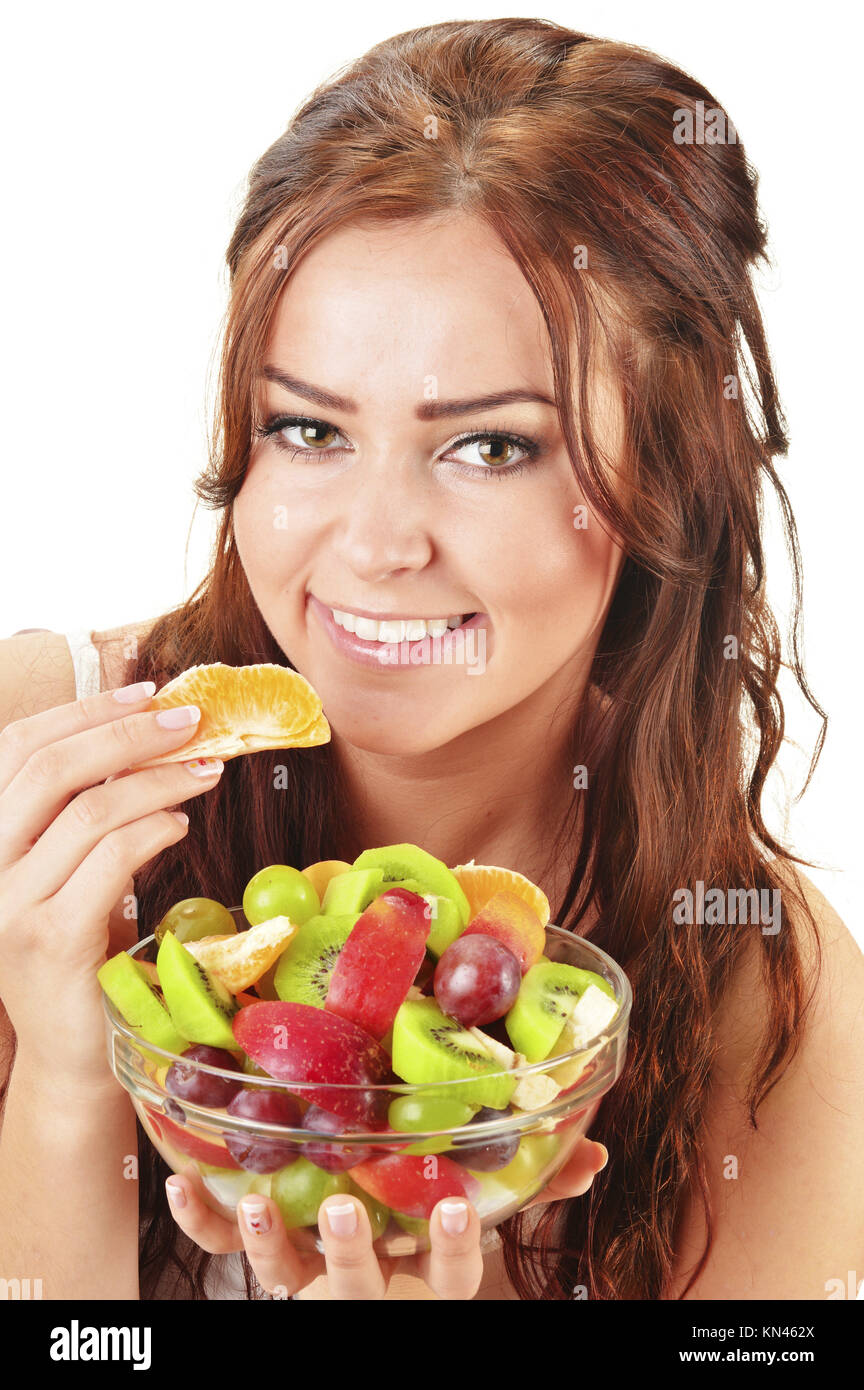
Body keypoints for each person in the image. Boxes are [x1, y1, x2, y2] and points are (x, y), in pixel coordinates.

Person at [1, 17, 862, 1302]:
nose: (375, 545)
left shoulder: (771, 1007)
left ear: (670, 473)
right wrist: (74, 1082)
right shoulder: (35, 778)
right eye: (307, 428)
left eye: (492, 447)